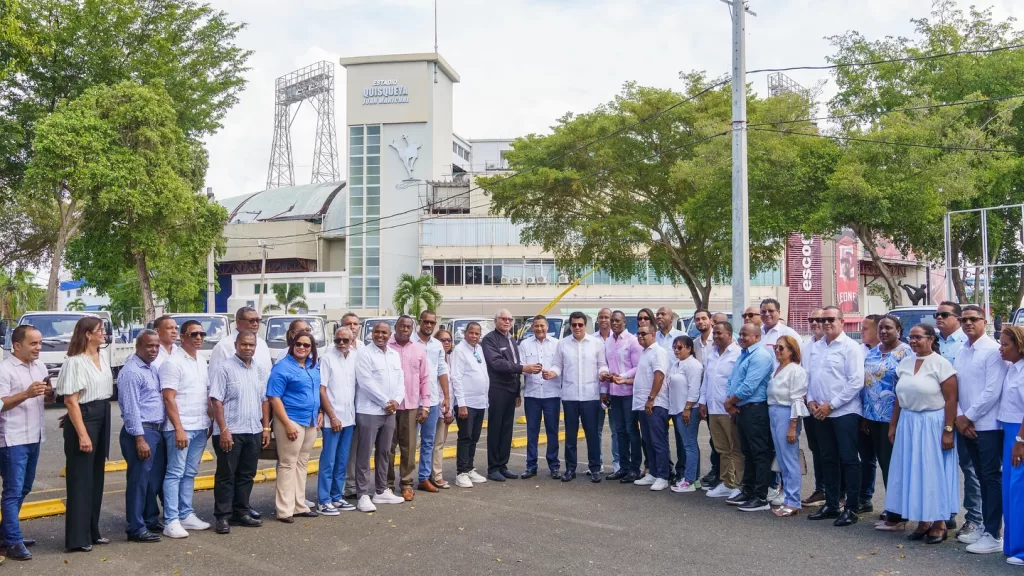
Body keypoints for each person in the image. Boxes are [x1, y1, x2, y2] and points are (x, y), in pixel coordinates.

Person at [884, 323, 960, 544]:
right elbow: (899, 397)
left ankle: (939, 523)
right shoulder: (905, 363)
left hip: (932, 422)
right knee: (913, 471)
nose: (914, 341)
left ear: (931, 338)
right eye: (911, 337)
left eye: (918, 337)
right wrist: (893, 425)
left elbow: (951, 400)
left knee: (932, 471)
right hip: (908, 422)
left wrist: (948, 430)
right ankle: (922, 521)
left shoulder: (941, 364)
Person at [55, 316, 114, 552]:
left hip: (101, 414)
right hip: (85, 419)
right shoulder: (75, 362)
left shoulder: (102, 357)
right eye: (100, 330)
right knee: (80, 480)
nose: (104, 334)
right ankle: (77, 538)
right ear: (87, 334)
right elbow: (71, 400)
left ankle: (92, 530)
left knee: (96, 478)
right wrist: (82, 434)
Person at [953, 305, 1006, 553]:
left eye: (973, 319)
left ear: (985, 322)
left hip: (988, 426)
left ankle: (994, 534)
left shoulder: (993, 351)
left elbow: (992, 391)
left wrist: (968, 417)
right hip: (966, 424)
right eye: (964, 319)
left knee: (991, 478)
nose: (968, 323)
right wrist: (960, 418)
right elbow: (957, 388)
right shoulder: (963, 350)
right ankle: (985, 527)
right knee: (979, 478)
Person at [806, 306, 864, 527]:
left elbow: (856, 381)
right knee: (827, 458)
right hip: (820, 412)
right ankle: (831, 504)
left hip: (844, 413)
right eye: (823, 319)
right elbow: (810, 377)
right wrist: (810, 400)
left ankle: (851, 507)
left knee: (849, 460)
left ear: (841, 321)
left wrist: (832, 405)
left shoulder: (850, 347)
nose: (826, 323)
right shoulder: (817, 347)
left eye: (831, 319)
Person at [208, 330, 270, 533]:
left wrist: (266, 427)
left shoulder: (258, 369)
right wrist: (224, 430)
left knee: (247, 474)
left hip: (253, 429)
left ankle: (241, 512)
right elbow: (216, 401)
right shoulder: (224, 368)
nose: (248, 348)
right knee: (226, 475)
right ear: (236, 345)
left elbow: (264, 400)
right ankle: (222, 517)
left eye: (251, 345)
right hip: (230, 432)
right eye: (244, 344)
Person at [0, 325, 50, 559]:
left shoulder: (39, 366)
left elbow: (42, 398)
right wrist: (26, 394)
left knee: (25, 487)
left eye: (39, 343)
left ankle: (8, 533)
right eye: (33, 343)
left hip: (34, 435)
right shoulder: (5, 369)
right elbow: (1, 404)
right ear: (17, 345)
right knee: (13, 490)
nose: (38, 348)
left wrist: (48, 394)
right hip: (12, 438)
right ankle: (12, 540)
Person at [160, 320, 212, 538]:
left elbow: (205, 394)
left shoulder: (201, 360)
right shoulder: (173, 363)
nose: (198, 338)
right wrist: (178, 428)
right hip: (180, 427)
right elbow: (168, 398)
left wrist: (209, 421)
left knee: (190, 473)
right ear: (182, 337)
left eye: (201, 334)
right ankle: (171, 520)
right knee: (175, 472)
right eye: (193, 334)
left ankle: (186, 514)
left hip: (200, 426)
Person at [861, 316, 913, 530]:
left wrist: (894, 422)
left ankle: (898, 512)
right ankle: (887, 505)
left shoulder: (906, 353)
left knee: (892, 465)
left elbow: (905, 387)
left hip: (893, 418)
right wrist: (865, 414)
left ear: (899, 330)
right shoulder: (872, 352)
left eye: (888, 328)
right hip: (870, 417)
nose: (883, 331)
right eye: (881, 328)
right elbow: (867, 385)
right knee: (876, 462)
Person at [935, 301, 980, 539]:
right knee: (942, 466)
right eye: (937, 315)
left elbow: (967, 387)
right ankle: (945, 512)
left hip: (963, 416)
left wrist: (963, 417)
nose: (939, 318)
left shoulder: (966, 344)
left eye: (945, 314)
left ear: (957, 318)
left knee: (969, 468)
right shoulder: (932, 341)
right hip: (934, 416)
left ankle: (974, 518)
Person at [267, 330, 322, 523]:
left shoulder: (313, 366)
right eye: (298, 344)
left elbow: (317, 391)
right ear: (293, 345)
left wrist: (320, 412)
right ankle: (284, 509)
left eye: (306, 345)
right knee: (288, 463)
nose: (302, 348)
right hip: (291, 421)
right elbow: (274, 397)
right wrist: (287, 424)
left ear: (311, 349)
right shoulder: (282, 367)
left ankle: (299, 504)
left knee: (302, 463)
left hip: (311, 421)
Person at [117, 331, 166, 545]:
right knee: (138, 482)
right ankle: (135, 527)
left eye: (156, 346)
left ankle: (149, 519)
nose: (153, 350)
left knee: (151, 481)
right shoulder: (131, 371)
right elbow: (131, 409)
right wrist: (139, 438)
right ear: (138, 346)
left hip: (155, 430)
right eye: (149, 346)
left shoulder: (151, 369)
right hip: (141, 431)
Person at [547, 311, 608, 482]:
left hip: (590, 396)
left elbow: (602, 365)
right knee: (570, 435)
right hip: (570, 396)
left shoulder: (596, 343)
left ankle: (595, 468)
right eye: (574, 325)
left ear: (585, 325)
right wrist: (552, 373)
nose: (577, 327)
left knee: (592, 435)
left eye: (580, 324)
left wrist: (604, 373)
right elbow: (557, 365)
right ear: (570, 326)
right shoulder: (563, 344)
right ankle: (570, 469)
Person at [482, 309, 540, 481]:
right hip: (497, 390)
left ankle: (502, 465)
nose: (507, 322)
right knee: (495, 429)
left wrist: (517, 392)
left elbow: (514, 366)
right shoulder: (489, 340)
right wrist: (523, 368)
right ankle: (493, 468)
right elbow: (497, 363)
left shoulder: (512, 339)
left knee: (507, 430)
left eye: (510, 319)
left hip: (510, 390)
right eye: (503, 319)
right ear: (495, 320)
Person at [723, 324, 775, 512]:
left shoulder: (760, 356)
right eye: (741, 334)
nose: (742, 337)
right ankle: (749, 489)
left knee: (760, 453)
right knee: (747, 452)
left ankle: (761, 496)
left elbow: (749, 386)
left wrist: (730, 402)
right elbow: (732, 380)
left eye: (746, 335)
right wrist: (730, 401)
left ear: (757, 337)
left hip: (755, 409)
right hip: (742, 409)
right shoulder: (743, 355)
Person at [353, 322, 405, 512]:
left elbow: (401, 380)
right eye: (377, 332)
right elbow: (365, 383)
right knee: (365, 453)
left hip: (390, 411)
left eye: (384, 332)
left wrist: (397, 401)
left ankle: (381, 490)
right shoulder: (364, 354)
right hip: (369, 411)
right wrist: (386, 402)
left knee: (385, 452)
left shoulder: (393, 354)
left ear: (390, 334)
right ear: (371, 333)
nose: (380, 335)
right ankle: (363, 494)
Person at [385, 316, 430, 501]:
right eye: (401, 326)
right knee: (387, 447)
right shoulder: (385, 347)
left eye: (408, 326)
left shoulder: (419, 349)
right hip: (388, 406)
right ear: (395, 327)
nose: (405, 329)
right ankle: (386, 485)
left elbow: (425, 378)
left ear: (412, 329)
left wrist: (425, 405)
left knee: (409, 447)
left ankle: (406, 484)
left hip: (411, 405)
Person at [699, 322, 743, 499]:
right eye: (714, 334)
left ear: (730, 334)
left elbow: (739, 382)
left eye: (719, 334)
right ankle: (727, 482)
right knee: (721, 448)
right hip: (713, 408)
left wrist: (733, 403)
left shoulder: (738, 354)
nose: (716, 337)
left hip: (729, 409)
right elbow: (706, 381)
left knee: (735, 448)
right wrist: (703, 402)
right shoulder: (712, 355)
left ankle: (740, 484)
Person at [316, 327, 357, 515]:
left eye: (345, 340)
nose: (341, 343)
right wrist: (331, 416)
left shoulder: (356, 356)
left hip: (349, 418)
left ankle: (336, 496)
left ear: (352, 339)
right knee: (328, 461)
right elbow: (321, 389)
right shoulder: (327, 358)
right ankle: (324, 500)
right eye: (338, 340)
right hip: (333, 419)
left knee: (342, 461)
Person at [766, 335, 808, 517]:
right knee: (782, 459)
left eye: (781, 347)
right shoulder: (778, 369)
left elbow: (797, 399)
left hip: (786, 414)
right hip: (774, 412)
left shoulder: (795, 371)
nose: (777, 350)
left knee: (790, 459)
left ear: (791, 350)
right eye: (776, 347)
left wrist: (793, 426)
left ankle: (793, 501)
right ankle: (787, 498)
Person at [601, 310, 643, 483]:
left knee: (631, 431)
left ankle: (635, 468)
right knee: (619, 431)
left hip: (628, 393)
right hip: (614, 392)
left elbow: (638, 366)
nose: (615, 323)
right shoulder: (608, 342)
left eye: (618, 320)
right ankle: (623, 468)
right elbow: (605, 363)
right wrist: (605, 379)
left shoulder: (632, 341)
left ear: (625, 322)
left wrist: (622, 376)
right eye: (613, 321)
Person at [520, 315, 562, 479]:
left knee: (552, 431)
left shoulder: (557, 344)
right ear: (532, 328)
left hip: (552, 394)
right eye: (536, 326)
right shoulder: (524, 344)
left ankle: (554, 465)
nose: (539, 329)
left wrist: (553, 372)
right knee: (532, 432)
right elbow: (521, 366)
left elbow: (560, 366)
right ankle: (531, 466)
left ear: (547, 326)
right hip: (532, 395)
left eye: (542, 326)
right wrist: (529, 369)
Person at [630, 325, 670, 491]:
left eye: (643, 334)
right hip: (642, 404)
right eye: (638, 333)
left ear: (653, 335)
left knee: (658, 441)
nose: (640, 336)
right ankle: (653, 472)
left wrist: (651, 399)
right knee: (648, 441)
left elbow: (659, 375)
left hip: (655, 404)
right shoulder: (645, 353)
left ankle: (663, 476)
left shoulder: (658, 352)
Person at [451, 322, 491, 488]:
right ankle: (461, 472)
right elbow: (456, 377)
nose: (474, 336)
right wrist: (461, 404)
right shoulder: (459, 351)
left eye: (477, 333)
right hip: (466, 403)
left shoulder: (478, 349)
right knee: (465, 437)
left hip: (480, 402)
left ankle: (469, 468)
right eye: (471, 333)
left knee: (474, 437)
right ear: (465, 333)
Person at [997, 326, 1024, 566]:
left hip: (1019, 434)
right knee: (1010, 490)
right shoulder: (1012, 369)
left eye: (1006, 344)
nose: (1001, 348)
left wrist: (1020, 442)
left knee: (1020, 491)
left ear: (1020, 345)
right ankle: (1013, 545)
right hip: (1009, 432)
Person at [415, 310, 449, 493]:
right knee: (409, 442)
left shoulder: (437, 345)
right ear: (420, 322)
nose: (429, 325)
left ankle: (424, 478)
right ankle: (404, 481)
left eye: (432, 323)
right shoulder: (410, 341)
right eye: (426, 322)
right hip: (412, 401)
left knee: (428, 441)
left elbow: (442, 370)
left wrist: (447, 397)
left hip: (433, 400)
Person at [668, 335, 703, 492]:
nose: (676, 350)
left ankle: (689, 480)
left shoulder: (694, 365)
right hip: (677, 409)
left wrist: (687, 408)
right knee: (689, 444)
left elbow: (694, 389)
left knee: (689, 445)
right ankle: (693, 479)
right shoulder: (677, 364)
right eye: (674, 347)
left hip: (688, 410)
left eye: (680, 347)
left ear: (689, 348)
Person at [691, 310, 721, 490]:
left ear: (710, 320)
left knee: (719, 439)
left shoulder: (717, 340)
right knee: (711, 437)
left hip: (717, 396)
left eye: (704, 318)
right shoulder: (694, 343)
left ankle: (720, 474)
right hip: (700, 396)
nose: (700, 321)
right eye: (697, 319)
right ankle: (714, 470)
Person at [857, 313, 884, 510]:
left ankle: (895, 506)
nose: (861, 331)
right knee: (866, 458)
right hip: (863, 412)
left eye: (866, 328)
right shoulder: (859, 351)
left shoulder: (891, 353)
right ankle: (864, 497)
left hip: (886, 415)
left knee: (887, 460)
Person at [801, 307, 827, 507]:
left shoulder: (842, 345)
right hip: (810, 406)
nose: (815, 323)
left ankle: (839, 492)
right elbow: (804, 377)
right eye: (812, 319)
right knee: (817, 450)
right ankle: (821, 489)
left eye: (820, 319)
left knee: (835, 453)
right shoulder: (806, 346)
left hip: (832, 409)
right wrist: (809, 400)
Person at [209, 307, 273, 380]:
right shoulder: (223, 346)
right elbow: (215, 379)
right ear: (238, 322)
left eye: (257, 320)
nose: (255, 324)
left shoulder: (262, 344)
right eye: (251, 321)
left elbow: (268, 372)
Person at [342, 312, 364, 500]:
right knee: (342, 449)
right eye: (348, 323)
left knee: (358, 447)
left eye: (355, 323)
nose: (352, 326)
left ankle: (354, 484)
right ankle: (343, 486)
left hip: (362, 407)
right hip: (341, 407)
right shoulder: (334, 349)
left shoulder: (365, 348)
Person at [430, 329, 455, 489]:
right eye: (442, 340)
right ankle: (435, 476)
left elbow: (452, 387)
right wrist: (445, 409)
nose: (446, 343)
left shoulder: (451, 359)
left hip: (447, 407)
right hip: (436, 406)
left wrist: (451, 408)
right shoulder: (433, 360)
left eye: (448, 340)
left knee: (440, 442)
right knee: (434, 443)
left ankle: (434, 474)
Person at [593, 308, 616, 475]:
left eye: (607, 317)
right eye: (601, 317)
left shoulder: (619, 339)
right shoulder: (591, 340)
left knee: (616, 429)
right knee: (596, 429)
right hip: (596, 391)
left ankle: (618, 464)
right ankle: (597, 463)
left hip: (616, 390)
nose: (604, 320)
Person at [759, 298, 801, 366]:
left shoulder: (788, 333)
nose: (767, 314)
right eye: (763, 311)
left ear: (778, 312)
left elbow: (798, 357)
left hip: (780, 375)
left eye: (771, 311)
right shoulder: (756, 333)